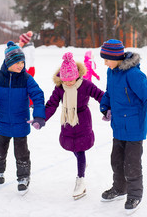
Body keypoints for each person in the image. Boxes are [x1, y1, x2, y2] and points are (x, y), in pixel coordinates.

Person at [99, 39, 147, 214]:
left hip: (134, 128)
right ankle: (120, 188)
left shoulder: (134, 74)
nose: (104, 62)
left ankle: (135, 194)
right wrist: (104, 106)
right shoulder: (111, 72)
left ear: (115, 57)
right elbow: (109, 93)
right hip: (118, 126)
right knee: (116, 160)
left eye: (106, 59)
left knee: (132, 163)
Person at [0, 41, 46, 195]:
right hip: (1, 123)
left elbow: (38, 95)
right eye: (18, 62)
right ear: (9, 62)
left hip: (20, 123)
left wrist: (38, 115)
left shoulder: (26, 78)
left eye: (23, 62)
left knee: (22, 152)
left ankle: (23, 178)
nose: (21, 65)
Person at [44, 52, 104, 200]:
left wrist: (108, 108)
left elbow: (100, 95)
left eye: (71, 80)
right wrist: (41, 118)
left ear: (77, 76)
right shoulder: (60, 88)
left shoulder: (85, 85)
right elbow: (52, 104)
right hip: (68, 120)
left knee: (80, 148)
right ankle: (81, 163)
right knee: (73, 147)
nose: (69, 83)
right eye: (66, 81)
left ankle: (80, 179)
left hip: (82, 119)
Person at [19, 31, 36, 107]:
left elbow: (27, 59)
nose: (19, 41)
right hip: (31, 69)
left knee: (25, 86)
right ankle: (30, 102)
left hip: (27, 69)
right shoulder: (29, 48)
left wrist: (24, 70)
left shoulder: (26, 49)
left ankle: (30, 102)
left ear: (24, 41)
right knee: (28, 85)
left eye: (20, 40)